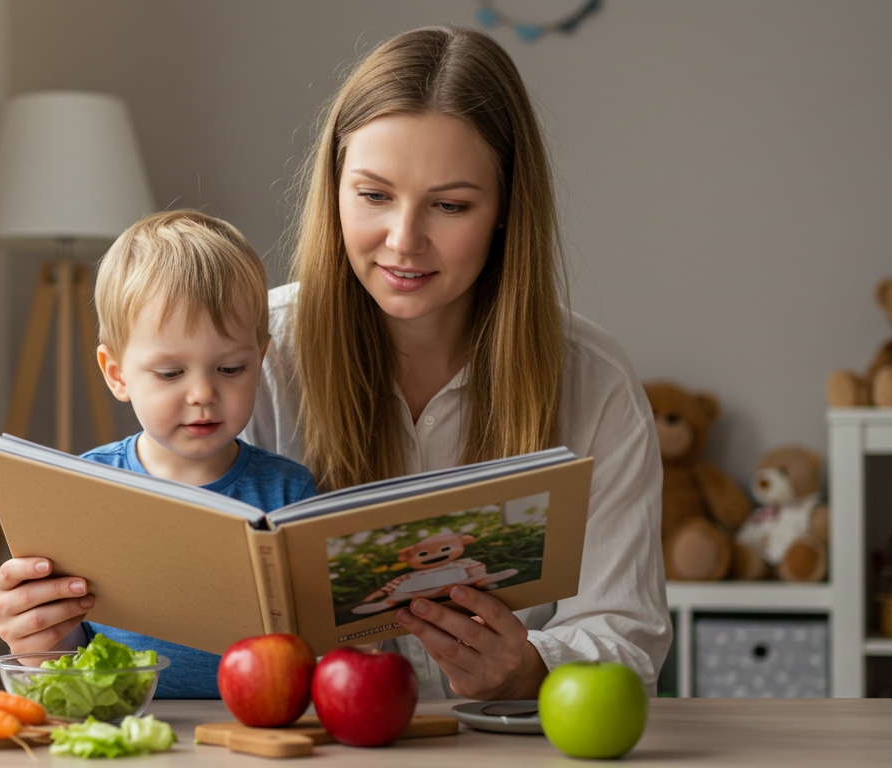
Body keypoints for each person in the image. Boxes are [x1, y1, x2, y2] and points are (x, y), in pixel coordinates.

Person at [242, 26, 670, 700]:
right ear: (335, 188)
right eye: (374, 195)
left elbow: (627, 631)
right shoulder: (253, 355)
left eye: (449, 206)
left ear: (505, 209)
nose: (403, 240)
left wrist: (530, 669)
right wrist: (73, 629)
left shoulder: (594, 382)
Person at [0, 209, 316, 698]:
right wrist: (39, 635)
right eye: (170, 374)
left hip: (258, 725)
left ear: (261, 359)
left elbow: (318, 645)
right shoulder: (84, 489)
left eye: (230, 368)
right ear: (117, 374)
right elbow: (66, 650)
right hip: (126, 722)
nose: (203, 393)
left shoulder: (289, 491)